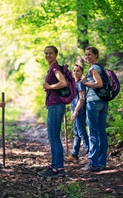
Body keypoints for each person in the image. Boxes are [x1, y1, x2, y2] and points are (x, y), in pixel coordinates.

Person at [38, 45, 67, 178]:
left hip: (56, 106)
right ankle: (56, 166)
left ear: (56, 55)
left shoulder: (55, 68)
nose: (48, 56)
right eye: (46, 53)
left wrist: (50, 86)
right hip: (55, 105)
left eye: (50, 53)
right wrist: (50, 89)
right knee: (55, 137)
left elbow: (63, 82)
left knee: (53, 137)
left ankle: (57, 168)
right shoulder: (52, 68)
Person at [81, 46, 108, 172]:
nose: (87, 57)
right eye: (86, 55)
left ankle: (93, 163)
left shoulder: (93, 68)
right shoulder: (101, 68)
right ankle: (102, 162)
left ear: (96, 55)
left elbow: (99, 84)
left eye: (90, 54)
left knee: (93, 133)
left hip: (93, 102)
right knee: (102, 133)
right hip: (103, 102)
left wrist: (86, 83)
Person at [65, 64, 89, 164]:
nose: (75, 72)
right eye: (74, 71)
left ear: (82, 72)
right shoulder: (74, 83)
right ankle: (74, 155)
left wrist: (75, 112)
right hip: (74, 111)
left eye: (78, 71)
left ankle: (89, 154)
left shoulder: (80, 83)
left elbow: (81, 99)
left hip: (79, 111)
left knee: (82, 133)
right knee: (76, 134)